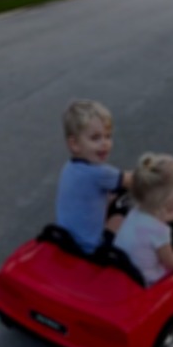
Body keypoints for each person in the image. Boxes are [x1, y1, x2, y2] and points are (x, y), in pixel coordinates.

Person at [55, 99, 131, 254]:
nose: (105, 143)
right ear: (74, 144)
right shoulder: (100, 173)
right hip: (91, 247)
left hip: (68, 240)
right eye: (95, 138)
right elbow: (134, 181)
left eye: (108, 136)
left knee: (112, 195)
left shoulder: (69, 167)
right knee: (124, 204)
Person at [114, 153, 173, 286]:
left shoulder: (136, 211)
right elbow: (170, 261)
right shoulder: (160, 232)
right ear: (167, 199)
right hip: (147, 281)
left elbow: (159, 218)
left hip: (125, 269)